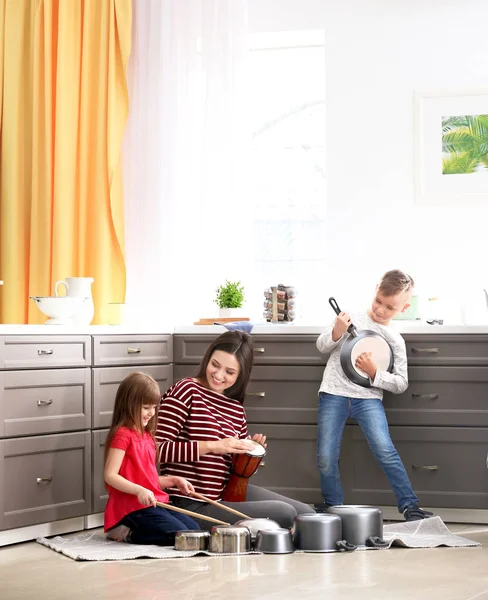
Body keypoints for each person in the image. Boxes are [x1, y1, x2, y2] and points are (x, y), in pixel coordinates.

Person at [155, 330, 314, 529]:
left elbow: (233, 474)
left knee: (308, 513)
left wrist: (248, 457)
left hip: (226, 494)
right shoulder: (186, 391)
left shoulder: (235, 408)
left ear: (240, 375)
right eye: (215, 364)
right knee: (285, 513)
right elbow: (155, 450)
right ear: (208, 358)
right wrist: (213, 446)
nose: (219, 375)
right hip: (190, 503)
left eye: (230, 372)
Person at [315, 270, 434, 522]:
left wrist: (375, 373)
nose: (380, 310)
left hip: (368, 399)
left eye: (389, 307)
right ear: (375, 291)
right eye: (378, 301)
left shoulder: (394, 340)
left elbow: (401, 383)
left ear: (404, 307)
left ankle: (410, 506)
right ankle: (333, 506)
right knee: (326, 455)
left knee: (385, 450)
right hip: (333, 393)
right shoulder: (350, 318)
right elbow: (322, 346)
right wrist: (337, 331)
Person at [104, 372, 199, 544]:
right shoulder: (123, 435)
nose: (151, 413)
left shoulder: (147, 436)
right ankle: (126, 533)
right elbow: (110, 476)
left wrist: (174, 480)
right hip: (130, 507)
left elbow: (148, 480)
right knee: (182, 537)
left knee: (195, 531)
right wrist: (139, 491)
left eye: (154, 407)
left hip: (153, 502)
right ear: (129, 405)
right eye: (146, 407)